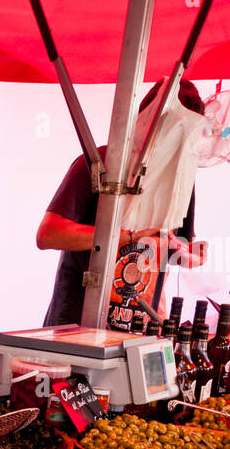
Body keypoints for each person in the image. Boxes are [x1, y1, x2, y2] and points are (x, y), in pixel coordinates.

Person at [36, 79, 208, 328]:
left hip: (140, 323)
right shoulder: (101, 162)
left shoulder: (181, 180)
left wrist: (189, 255)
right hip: (76, 322)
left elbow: (177, 246)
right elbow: (49, 234)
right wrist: (128, 236)